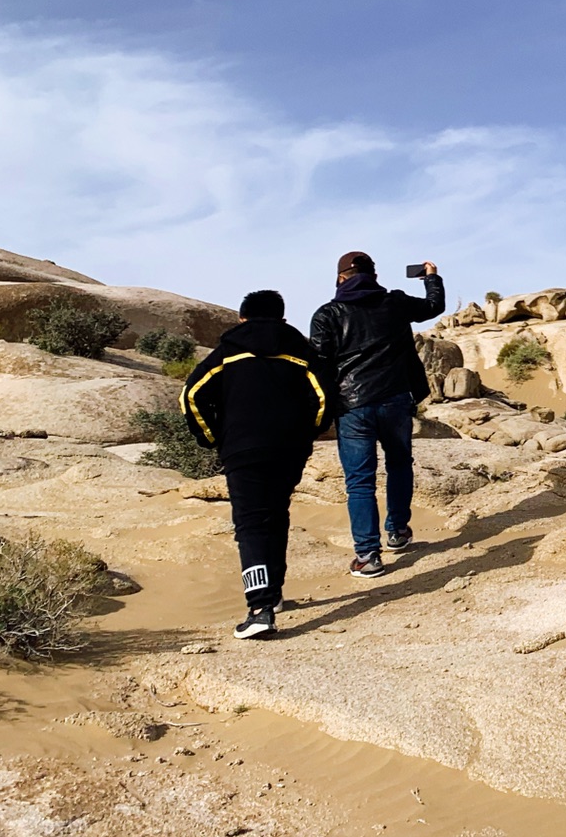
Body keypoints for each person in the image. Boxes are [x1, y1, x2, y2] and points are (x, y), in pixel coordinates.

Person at [182, 290, 333, 639]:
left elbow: (192, 395)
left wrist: (212, 437)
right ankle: (274, 594)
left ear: (242, 318)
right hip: (289, 450)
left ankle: (260, 608)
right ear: (282, 318)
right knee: (275, 515)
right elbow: (324, 398)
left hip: (241, 449)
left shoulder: (226, 353)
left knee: (250, 524)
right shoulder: (301, 351)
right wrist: (305, 434)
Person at [309, 252, 445, 579]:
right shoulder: (394, 302)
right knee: (399, 465)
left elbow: (319, 365)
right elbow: (433, 307)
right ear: (374, 274)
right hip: (395, 399)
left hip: (352, 406)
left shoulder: (327, 314)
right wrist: (431, 277)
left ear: (341, 277)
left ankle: (368, 555)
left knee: (359, 481)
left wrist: (321, 409)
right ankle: (398, 531)